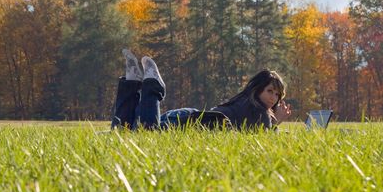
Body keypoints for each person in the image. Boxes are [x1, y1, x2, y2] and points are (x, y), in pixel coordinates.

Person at [111, 49, 291, 131]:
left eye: (277, 94)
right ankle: (153, 87)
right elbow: (259, 139)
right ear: (257, 89)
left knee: (124, 132)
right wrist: (276, 124)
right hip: (191, 123)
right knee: (146, 133)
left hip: (188, 116)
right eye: (270, 91)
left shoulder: (243, 102)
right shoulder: (260, 112)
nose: (273, 98)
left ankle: (132, 80)